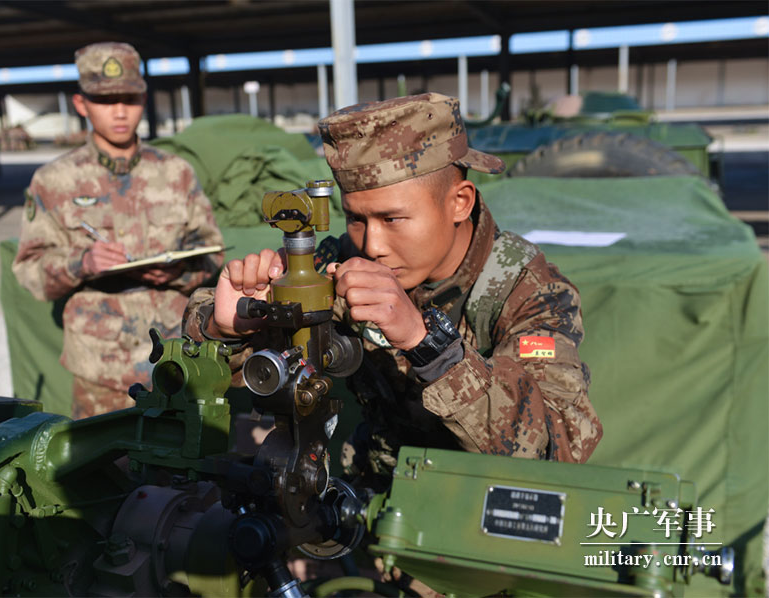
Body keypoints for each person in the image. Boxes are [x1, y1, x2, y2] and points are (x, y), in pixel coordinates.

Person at [181, 93, 601, 491]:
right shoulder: (340, 262)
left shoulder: (529, 292)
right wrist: (225, 328)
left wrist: (428, 344)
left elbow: (555, 449)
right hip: (373, 495)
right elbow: (218, 358)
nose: (372, 245)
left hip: (478, 510)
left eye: (393, 219)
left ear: (460, 202)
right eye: (356, 219)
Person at [13, 42, 223, 419]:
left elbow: (212, 252)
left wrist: (179, 271)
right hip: (99, 368)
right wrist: (82, 263)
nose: (120, 111)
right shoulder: (54, 180)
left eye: (130, 98)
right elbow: (30, 270)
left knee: (182, 454)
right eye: (105, 100)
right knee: (102, 457)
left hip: (175, 359)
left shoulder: (176, 173)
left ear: (145, 98)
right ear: (81, 104)